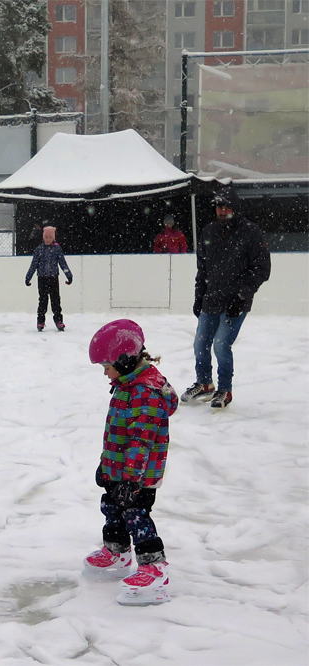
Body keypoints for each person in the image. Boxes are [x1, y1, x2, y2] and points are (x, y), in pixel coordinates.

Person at [85, 319, 178, 606]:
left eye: (106, 366)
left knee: (137, 517)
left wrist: (131, 479)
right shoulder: (126, 384)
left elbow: (141, 442)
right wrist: (106, 465)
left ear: (125, 360)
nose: (105, 372)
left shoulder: (145, 392)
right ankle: (117, 550)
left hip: (137, 475)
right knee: (112, 507)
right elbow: (116, 432)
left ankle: (155, 568)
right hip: (120, 469)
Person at [182, 186, 271, 409]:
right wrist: (198, 295)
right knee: (200, 344)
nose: (222, 212)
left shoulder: (251, 232)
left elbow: (262, 268)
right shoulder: (209, 231)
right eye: (219, 207)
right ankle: (204, 384)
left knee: (221, 345)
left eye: (226, 207)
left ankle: (224, 390)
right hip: (211, 299)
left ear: (235, 208)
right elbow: (202, 268)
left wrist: (241, 296)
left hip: (236, 303)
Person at [25, 225, 73, 332]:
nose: (48, 239)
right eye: (46, 237)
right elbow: (33, 264)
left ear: (53, 238)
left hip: (53, 278)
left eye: (50, 237)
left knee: (55, 300)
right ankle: (41, 321)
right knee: (43, 300)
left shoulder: (57, 249)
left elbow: (63, 264)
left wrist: (68, 275)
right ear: (43, 237)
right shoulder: (39, 250)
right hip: (42, 279)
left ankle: (58, 320)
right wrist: (28, 277)